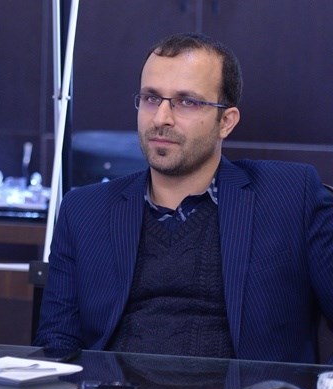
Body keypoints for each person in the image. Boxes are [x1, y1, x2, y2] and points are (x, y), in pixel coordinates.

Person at [35, 32, 333, 363]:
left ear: (226, 122)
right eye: (151, 98)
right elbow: (56, 343)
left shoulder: (290, 195)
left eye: (187, 102)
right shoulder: (85, 210)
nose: (161, 118)